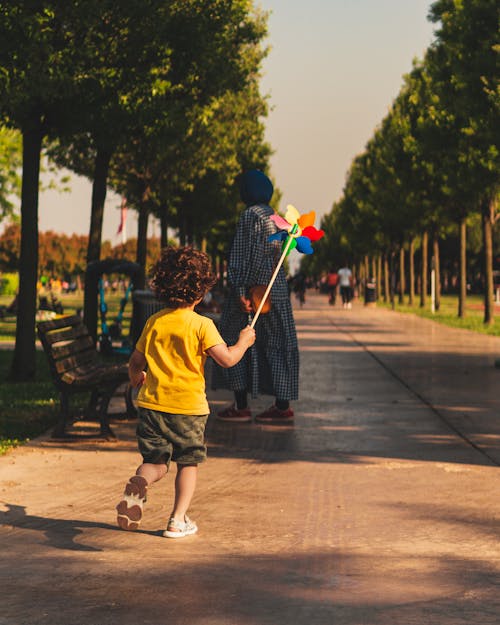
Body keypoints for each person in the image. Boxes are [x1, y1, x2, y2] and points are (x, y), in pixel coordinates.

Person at [116, 246, 255, 538]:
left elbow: (136, 362)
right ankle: (177, 520)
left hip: (153, 406)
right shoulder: (202, 325)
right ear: (200, 291)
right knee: (187, 463)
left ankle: (140, 483)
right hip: (188, 409)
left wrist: (135, 378)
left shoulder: (155, 322)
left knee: (155, 463)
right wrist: (244, 341)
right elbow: (227, 359)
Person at [212, 169, 299, 424]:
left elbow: (243, 256)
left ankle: (240, 404)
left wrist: (239, 290)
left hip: (252, 294)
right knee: (278, 346)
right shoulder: (275, 216)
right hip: (276, 292)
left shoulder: (250, 215)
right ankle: (282, 406)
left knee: (233, 340)